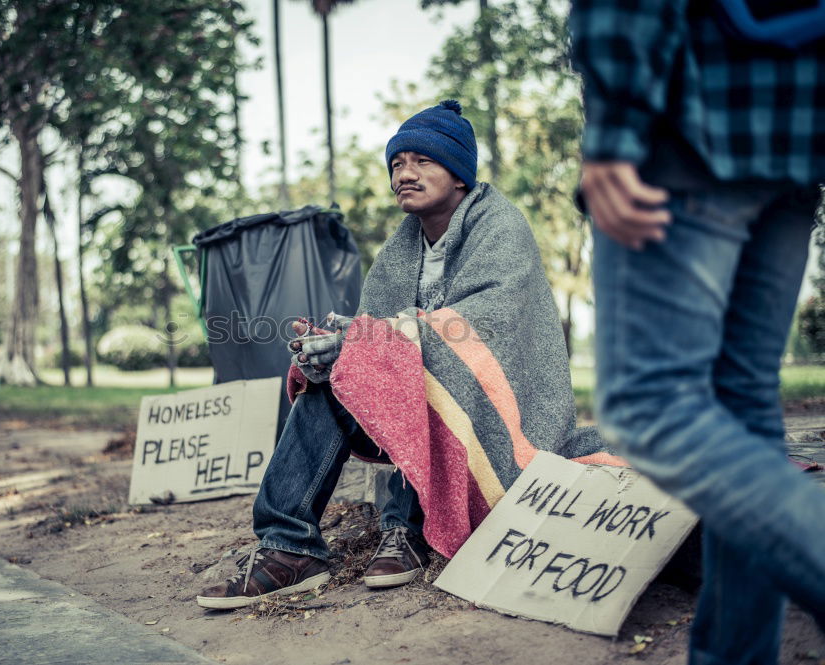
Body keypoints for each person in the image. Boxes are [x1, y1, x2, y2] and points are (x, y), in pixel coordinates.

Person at [197, 100, 613, 610]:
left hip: (502, 411)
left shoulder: (501, 226)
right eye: (397, 164)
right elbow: (376, 335)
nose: (405, 174)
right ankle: (289, 547)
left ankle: (405, 528)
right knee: (336, 379)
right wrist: (332, 352)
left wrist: (371, 342)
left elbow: (485, 326)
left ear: (459, 174)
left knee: (415, 370)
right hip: (422, 386)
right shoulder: (402, 248)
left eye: (422, 161)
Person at [570, 0, 825, 660]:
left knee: (648, 405)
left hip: (693, 113)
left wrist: (615, 129)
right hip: (795, 136)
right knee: (744, 410)